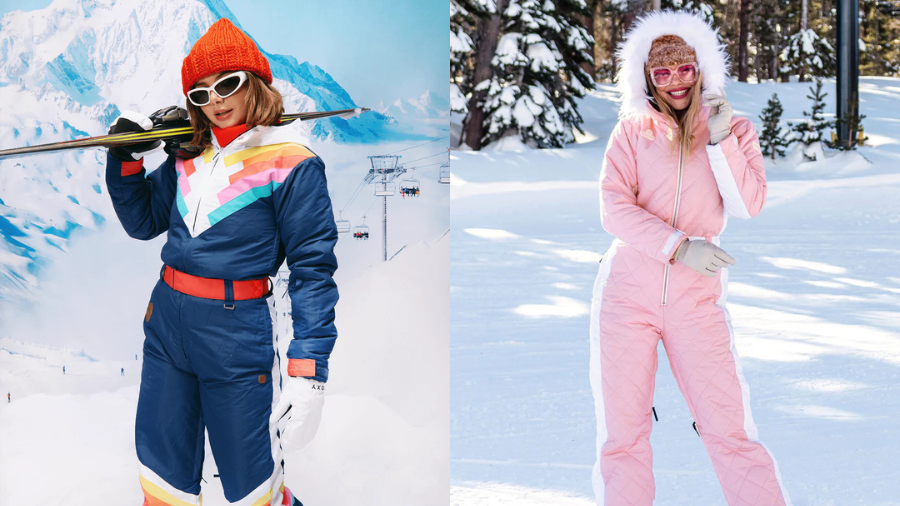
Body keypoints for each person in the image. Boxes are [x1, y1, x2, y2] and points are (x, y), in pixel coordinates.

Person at [104, 19, 338, 506]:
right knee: (161, 475)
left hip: (236, 334)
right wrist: (126, 160)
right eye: (200, 93)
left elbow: (312, 269)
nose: (216, 100)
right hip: (168, 323)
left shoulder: (292, 162)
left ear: (254, 82)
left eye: (227, 84)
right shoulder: (190, 153)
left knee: (250, 484)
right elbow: (144, 221)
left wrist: (308, 369)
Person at [588, 10, 790, 506]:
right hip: (625, 298)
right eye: (661, 72)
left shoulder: (734, 128)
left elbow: (748, 204)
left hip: (695, 303)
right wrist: (679, 246)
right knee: (623, 434)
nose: (675, 81)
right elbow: (614, 210)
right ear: (646, 79)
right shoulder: (632, 132)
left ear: (701, 69)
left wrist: (719, 141)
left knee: (728, 426)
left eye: (684, 68)